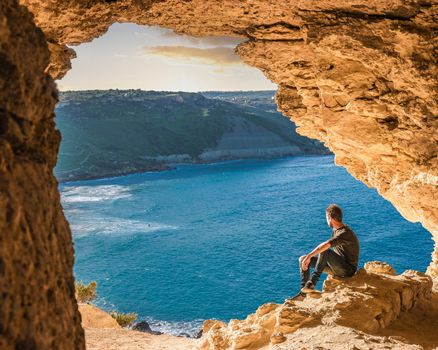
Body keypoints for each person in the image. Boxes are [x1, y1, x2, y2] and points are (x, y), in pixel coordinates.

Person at [291, 204, 360, 299]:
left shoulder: (345, 233)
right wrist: (307, 257)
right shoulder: (336, 230)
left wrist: (310, 255)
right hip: (337, 267)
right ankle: (303, 294)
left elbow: (326, 245)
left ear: (330, 217)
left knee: (325, 250)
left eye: (326, 217)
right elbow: (326, 244)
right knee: (302, 259)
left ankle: (312, 283)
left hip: (347, 270)